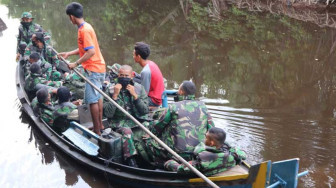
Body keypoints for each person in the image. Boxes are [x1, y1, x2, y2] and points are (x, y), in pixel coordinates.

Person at [139, 81, 214, 166]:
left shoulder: (174, 106)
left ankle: (158, 162)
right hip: (198, 152)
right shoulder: (203, 106)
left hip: (176, 155)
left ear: (181, 91)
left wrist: (150, 134)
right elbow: (212, 128)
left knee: (147, 138)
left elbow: (159, 125)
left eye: (178, 90)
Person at [59, 2, 106, 135]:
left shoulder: (83, 30)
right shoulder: (87, 26)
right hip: (100, 67)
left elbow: (90, 52)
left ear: (72, 17)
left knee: (92, 101)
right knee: (99, 97)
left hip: (93, 69)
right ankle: (100, 125)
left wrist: (76, 63)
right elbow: (85, 49)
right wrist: (69, 53)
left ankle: (97, 131)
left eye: (69, 17)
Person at [103, 65, 149, 167]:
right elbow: (107, 114)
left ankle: (152, 157)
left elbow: (145, 111)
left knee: (152, 126)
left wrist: (135, 96)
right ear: (118, 75)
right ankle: (131, 160)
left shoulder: (139, 88)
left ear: (132, 76)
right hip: (119, 123)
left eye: (126, 75)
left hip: (137, 121)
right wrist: (115, 96)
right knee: (126, 131)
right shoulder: (110, 90)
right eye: (121, 75)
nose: (124, 77)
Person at [164, 127, 247, 176]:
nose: (204, 139)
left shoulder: (203, 160)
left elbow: (181, 169)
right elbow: (243, 154)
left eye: (206, 137)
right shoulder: (233, 154)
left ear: (211, 143)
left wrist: (169, 163)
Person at [133, 42, 164, 107]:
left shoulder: (146, 71)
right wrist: (134, 74)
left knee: (130, 99)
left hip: (154, 100)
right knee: (133, 79)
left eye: (134, 55)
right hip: (158, 94)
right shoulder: (151, 63)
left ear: (138, 57)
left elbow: (144, 94)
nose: (133, 57)